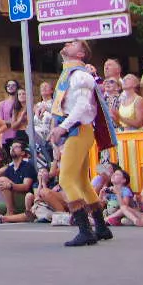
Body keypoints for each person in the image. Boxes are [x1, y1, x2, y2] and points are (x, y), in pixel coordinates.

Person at [51, 66, 112, 247]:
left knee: (66, 179)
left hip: (78, 129)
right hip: (79, 130)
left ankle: (85, 230)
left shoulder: (79, 75)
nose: (68, 43)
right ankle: (101, 227)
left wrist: (64, 126)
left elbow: (82, 105)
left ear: (80, 52)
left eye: (73, 42)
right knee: (82, 181)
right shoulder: (71, 74)